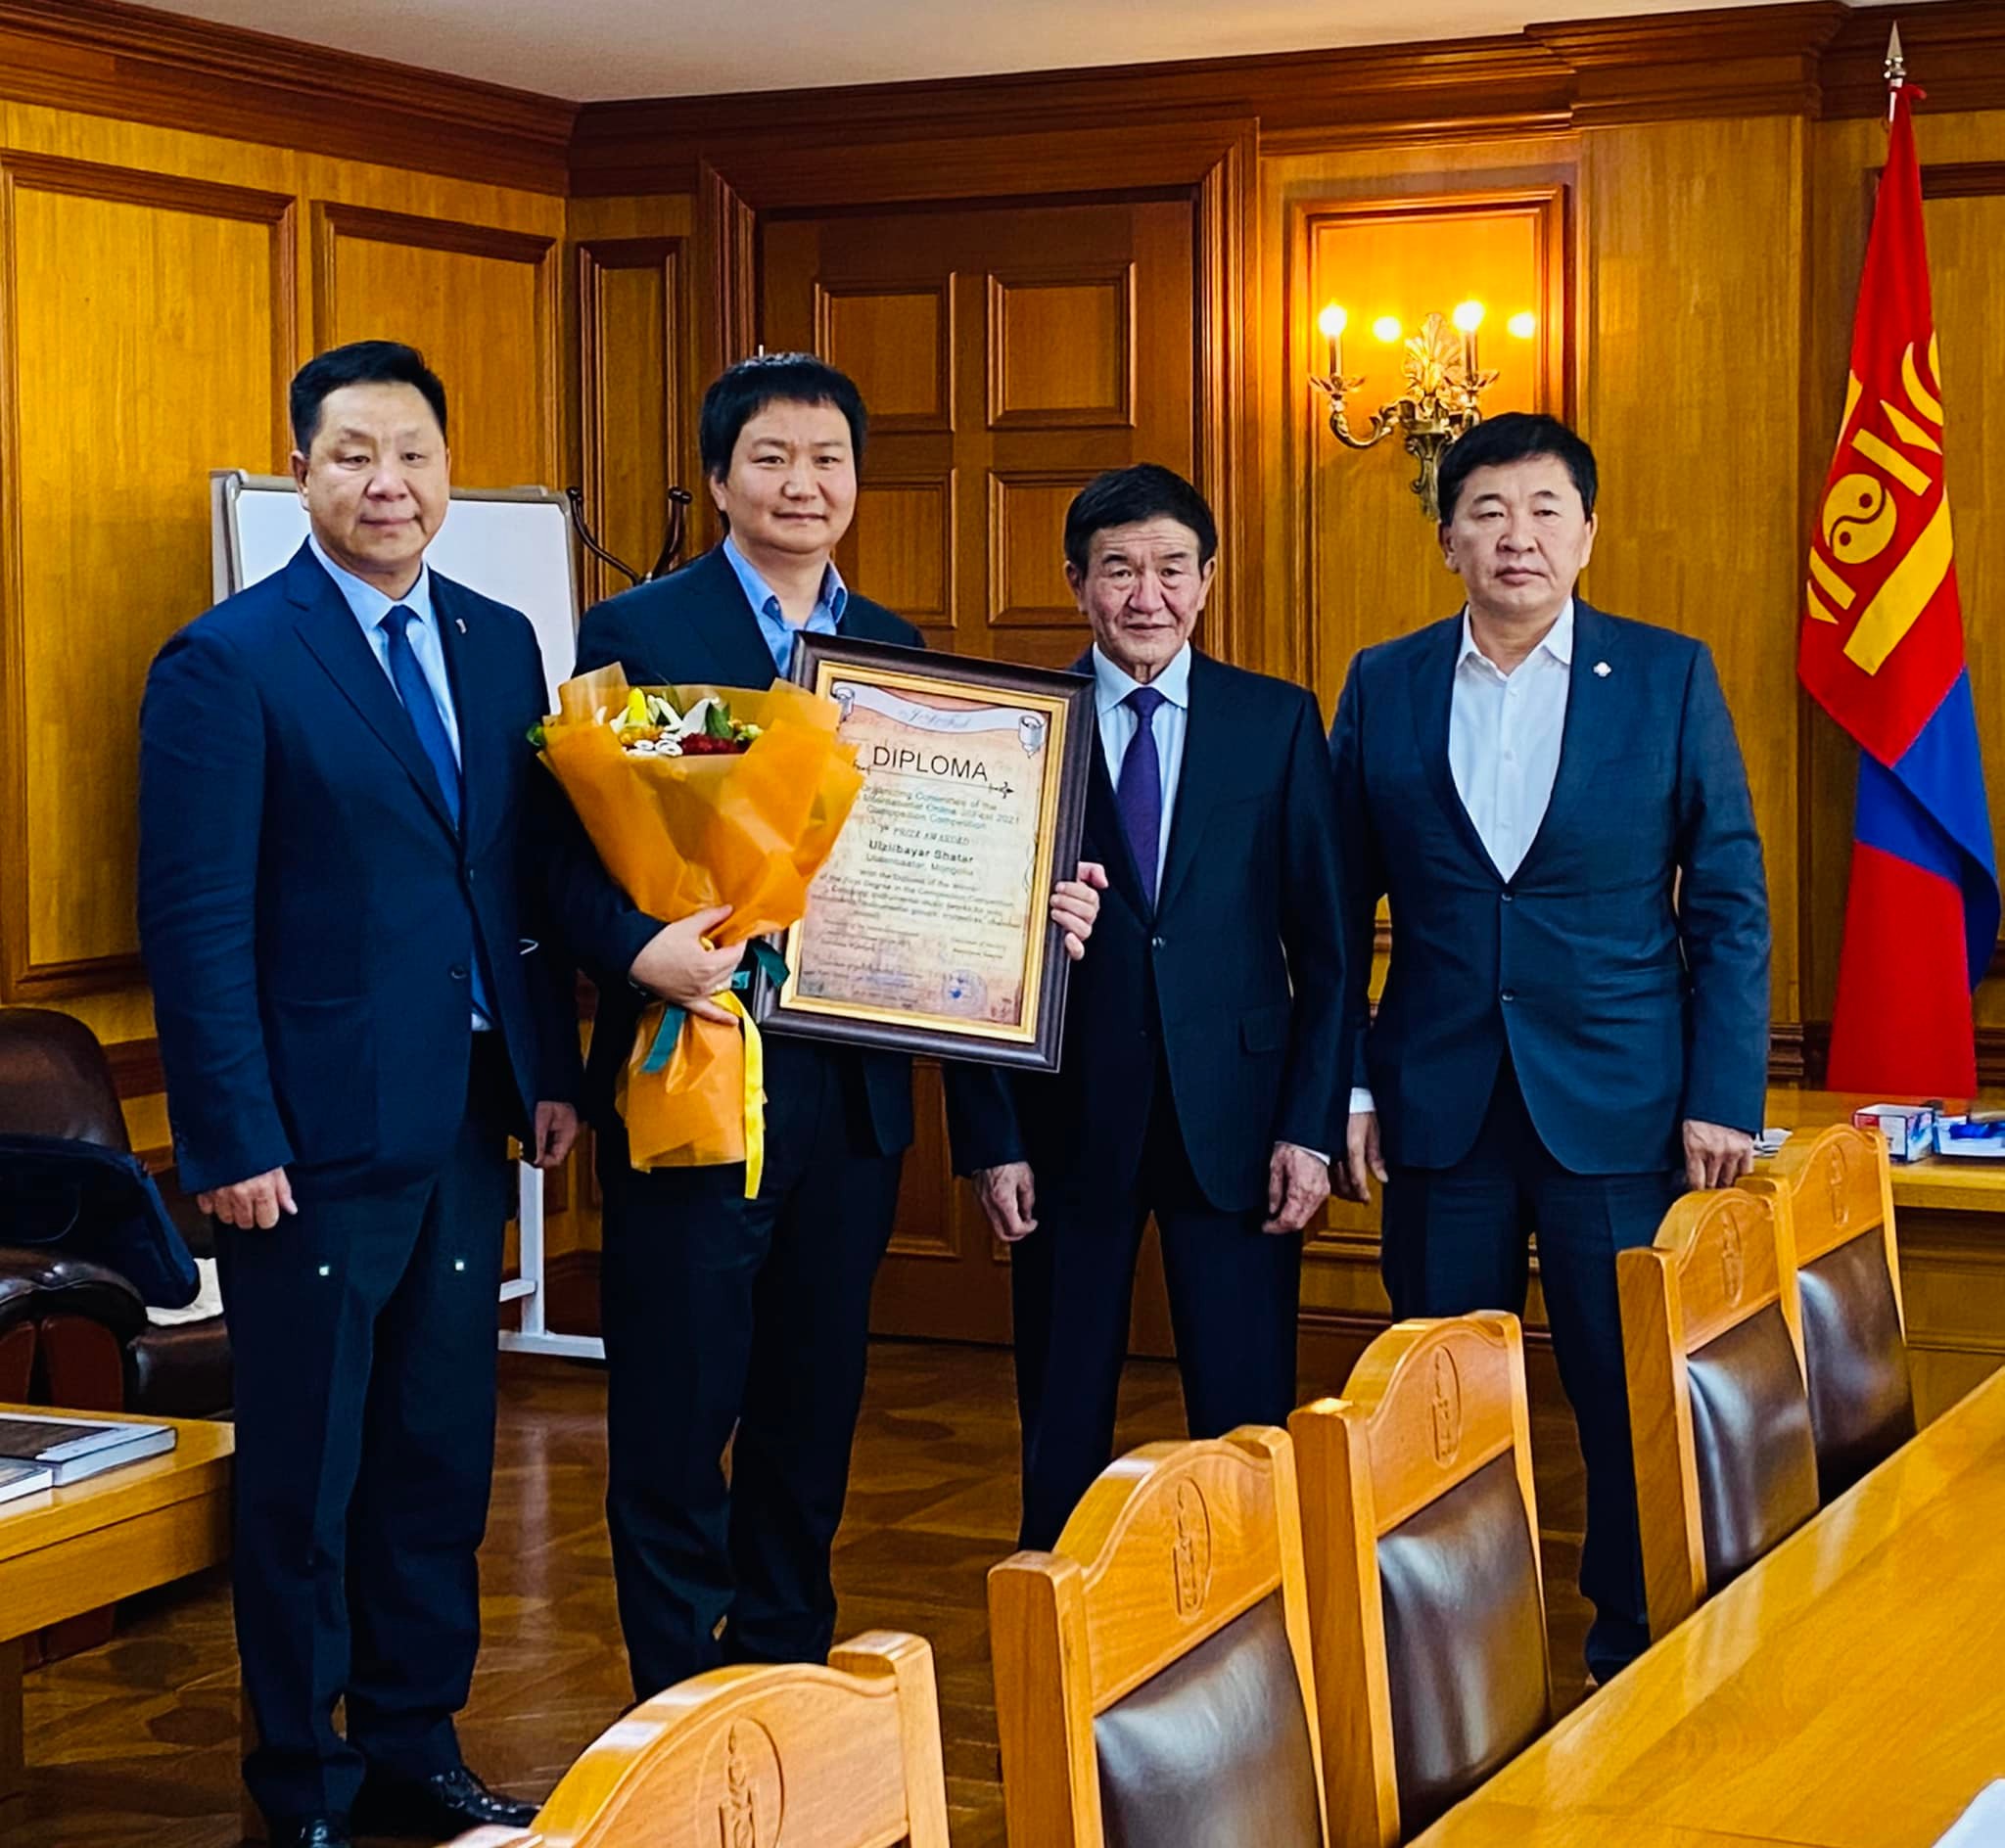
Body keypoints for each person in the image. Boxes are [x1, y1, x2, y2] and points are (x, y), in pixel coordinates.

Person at [550, 352, 1102, 1701]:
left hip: (851, 1104)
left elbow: (945, 874)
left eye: (829, 461)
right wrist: (639, 953)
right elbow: (559, 855)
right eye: (773, 460)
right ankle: (676, 1704)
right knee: (680, 1415)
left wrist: (1031, 916)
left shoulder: (899, 655)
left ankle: (786, 1681)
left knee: (811, 1415)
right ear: (720, 477)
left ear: (858, 479)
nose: (804, 485)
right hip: (695, 1079)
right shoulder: (645, 631)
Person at [138, 341, 580, 1848]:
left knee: (439, 1459)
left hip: (462, 1124)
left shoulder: (503, 638)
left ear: (449, 471)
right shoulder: (229, 661)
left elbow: (512, 878)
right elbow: (195, 924)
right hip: (308, 1149)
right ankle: (303, 1785)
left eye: (414, 455)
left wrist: (549, 1079)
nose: (388, 483)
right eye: (352, 456)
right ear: (303, 476)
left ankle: (413, 1746)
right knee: (308, 1485)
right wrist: (231, 1136)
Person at [1329, 411, 1770, 1683]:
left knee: (1626, 1397)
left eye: (1544, 510)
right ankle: (1454, 1665)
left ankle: (1631, 1649)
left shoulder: (1668, 674)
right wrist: (1349, 1076)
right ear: (1448, 536)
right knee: (1437, 1405)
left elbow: (1730, 898)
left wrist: (1723, 1093)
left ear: (1587, 531)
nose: (1517, 536)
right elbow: (1336, 897)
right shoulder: (1387, 681)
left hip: (1625, 1111)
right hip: (1437, 1105)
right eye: (1489, 511)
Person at [947, 463, 1346, 1550]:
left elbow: (1328, 950)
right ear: (1076, 583)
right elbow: (963, 948)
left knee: (1245, 1409)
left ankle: (1253, 1612)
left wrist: (1310, 1128)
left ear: (1207, 581)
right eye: (1118, 570)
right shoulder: (1016, 729)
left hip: (1242, 1120)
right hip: (1067, 1121)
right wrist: (989, 1138)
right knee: (1061, 1410)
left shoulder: (1275, 723)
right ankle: (1060, 1628)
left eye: (1171, 568)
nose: (1145, 595)